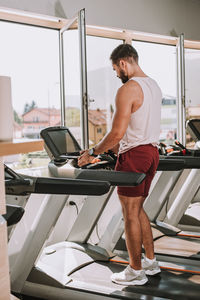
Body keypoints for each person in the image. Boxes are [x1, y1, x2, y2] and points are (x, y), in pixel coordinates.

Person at [78, 43, 162, 286]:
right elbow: (136, 126)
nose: (116, 74)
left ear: (124, 63)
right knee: (139, 209)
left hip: (134, 156)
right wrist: (108, 151)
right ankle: (150, 261)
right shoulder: (153, 85)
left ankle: (135, 271)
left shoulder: (128, 89)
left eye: (116, 69)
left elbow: (116, 133)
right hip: (151, 153)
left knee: (129, 215)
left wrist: (92, 152)